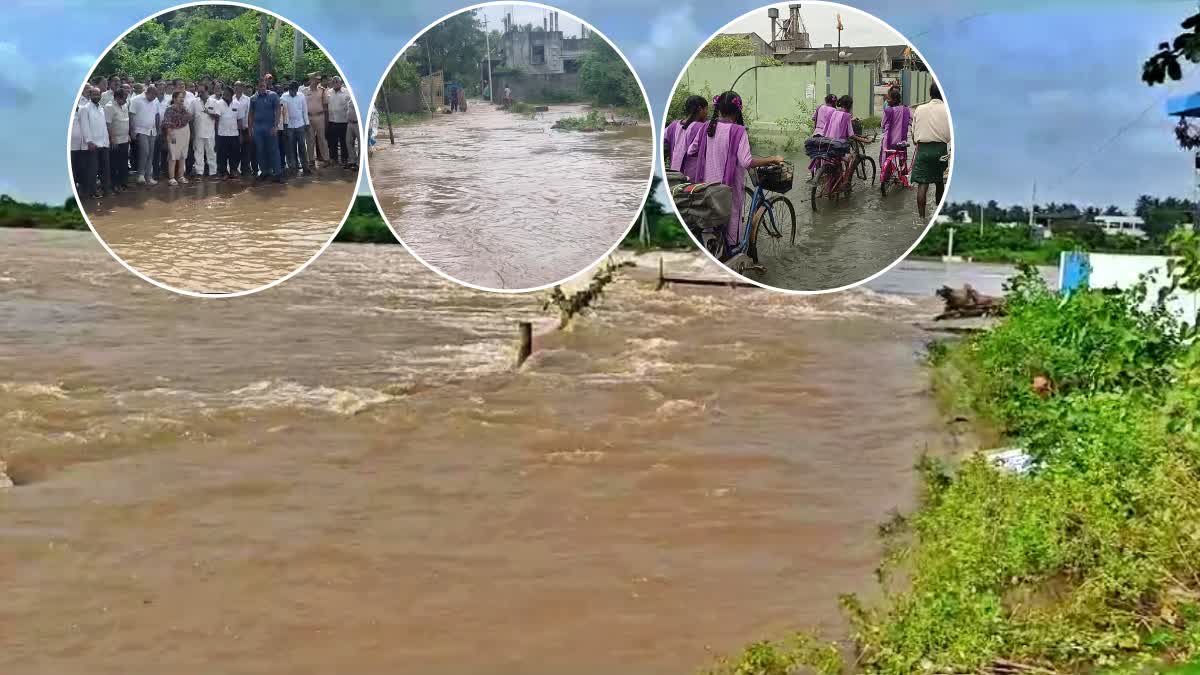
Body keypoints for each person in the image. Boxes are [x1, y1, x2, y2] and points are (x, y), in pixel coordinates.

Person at [684, 91, 783, 251]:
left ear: (719, 109)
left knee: (710, 219)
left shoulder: (706, 127)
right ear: (738, 110)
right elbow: (746, 161)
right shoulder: (738, 131)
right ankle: (734, 249)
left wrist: (710, 152)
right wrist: (772, 159)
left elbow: (691, 151)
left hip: (706, 186)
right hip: (727, 187)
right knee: (733, 215)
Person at [910, 82, 951, 219]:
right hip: (941, 150)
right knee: (939, 181)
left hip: (923, 150)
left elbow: (913, 134)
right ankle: (939, 215)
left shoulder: (920, 109)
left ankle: (922, 219)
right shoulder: (948, 109)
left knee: (923, 184)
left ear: (930, 94)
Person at [75, 85, 112, 198]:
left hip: (103, 143)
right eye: (94, 94)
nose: (96, 96)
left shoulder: (101, 108)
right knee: (92, 170)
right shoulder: (85, 108)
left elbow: (103, 126)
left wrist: (107, 140)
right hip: (93, 145)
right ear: (90, 95)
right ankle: (92, 192)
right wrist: (89, 141)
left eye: (98, 94)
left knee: (105, 168)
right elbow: (85, 126)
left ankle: (106, 190)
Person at [247, 78, 283, 183]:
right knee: (260, 150)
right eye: (259, 86)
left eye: (263, 86)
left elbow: (278, 110)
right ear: (257, 87)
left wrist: (276, 126)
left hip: (270, 127)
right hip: (257, 128)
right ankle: (264, 172)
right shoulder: (253, 98)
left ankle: (277, 173)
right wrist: (250, 129)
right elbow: (251, 114)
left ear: (266, 86)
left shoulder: (273, 95)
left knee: (273, 150)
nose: (262, 88)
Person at [129, 84, 160, 185]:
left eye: (156, 96)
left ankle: (148, 176)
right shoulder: (136, 100)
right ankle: (140, 175)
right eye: (153, 96)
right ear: (147, 92)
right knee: (145, 152)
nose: (154, 98)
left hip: (152, 130)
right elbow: (131, 116)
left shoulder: (155, 100)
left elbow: (156, 115)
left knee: (151, 153)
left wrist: (157, 128)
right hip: (140, 130)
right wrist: (132, 131)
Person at [663, 95, 707, 166]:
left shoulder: (673, 125)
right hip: (692, 173)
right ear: (700, 109)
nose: (706, 112)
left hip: (674, 170)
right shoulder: (701, 127)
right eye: (706, 109)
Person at [162, 90, 192, 186]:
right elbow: (167, 123)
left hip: (185, 133)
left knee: (183, 155)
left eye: (183, 97)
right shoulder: (169, 109)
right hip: (173, 133)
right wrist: (171, 134)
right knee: (173, 156)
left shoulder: (185, 109)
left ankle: (181, 176)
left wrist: (184, 109)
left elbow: (189, 118)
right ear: (174, 99)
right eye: (180, 97)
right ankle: (171, 178)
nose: (182, 99)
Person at [211, 85, 241, 180]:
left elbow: (239, 120)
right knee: (222, 155)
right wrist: (216, 135)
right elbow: (216, 120)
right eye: (224, 94)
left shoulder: (237, 103)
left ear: (232, 95)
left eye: (227, 94)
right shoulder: (219, 103)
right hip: (222, 134)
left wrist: (240, 134)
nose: (225, 95)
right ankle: (223, 172)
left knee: (234, 154)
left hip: (234, 134)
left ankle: (233, 170)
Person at [280, 80, 309, 176]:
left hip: (300, 124)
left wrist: (307, 123)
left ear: (297, 90)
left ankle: (305, 167)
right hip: (289, 126)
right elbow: (283, 113)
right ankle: (293, 166)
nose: (293, 93)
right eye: (292, 91)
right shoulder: (284, 97)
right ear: (289, 90)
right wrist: (284, 127)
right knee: (290, 147)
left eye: (295, 91)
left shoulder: (301, 96)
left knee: (302, 146)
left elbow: (304, 110)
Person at [189, 84, 217, 178]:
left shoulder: (214, 102)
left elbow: (217, 117)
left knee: (211, 152)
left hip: (210, 132)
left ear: (207, 91)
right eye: (199, 92)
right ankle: (199, 172)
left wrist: (209, 113)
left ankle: (213, 172)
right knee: (198, 152)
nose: (200, 93)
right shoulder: (194, 102)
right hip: (198, 132)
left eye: (202, 92)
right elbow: (190, 117)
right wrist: (192, 132)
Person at [878, 88, 911, 169]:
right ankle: (902, 175)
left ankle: (886, 175)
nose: (887, 100)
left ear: (893, 100)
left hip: (889, 141)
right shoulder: (906, 109)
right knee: (901, 159)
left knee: (885, 158)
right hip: (901, 141)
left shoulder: (888, 111)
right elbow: (911, 121)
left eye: (889, 98)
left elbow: (882, 125)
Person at [105, 88, 131, 192]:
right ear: (117, 97)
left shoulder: (124, 105)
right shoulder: (109, 107)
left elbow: (126, 120)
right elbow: (108, 124)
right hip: (115, 139)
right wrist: (112, 138)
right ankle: (114, 184)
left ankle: (123, 183)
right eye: (124, 98)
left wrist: (128, 134)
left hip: (125, 138)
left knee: (123, 162)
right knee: (114, 163)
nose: (125, 101)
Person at [301, 72, 327, 169]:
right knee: (309, 139)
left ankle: (326, 159)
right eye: (316, 79)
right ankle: (311, 160)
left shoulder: (322, 90)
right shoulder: (304, 91)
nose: (318, 81)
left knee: (322, 138)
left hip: (320, 116)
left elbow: (325, 105)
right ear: (311, 80)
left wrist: (326, 119)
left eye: (318, 79)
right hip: (308, 117)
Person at [325, 76, 351, 166]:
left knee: (344, 141)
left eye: (337, 82)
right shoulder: (328, 92)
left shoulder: (347, 92)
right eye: (334, 82)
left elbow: (350, 107)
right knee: (332, 141)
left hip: (343, 121)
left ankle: (344, 158)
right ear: (332, 83)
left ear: (341, 82)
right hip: (332, 121)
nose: (335, 83)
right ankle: (334, 158)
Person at [233, 82, 255, 177]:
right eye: (235, 86)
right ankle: (234, 170)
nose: (237, 88)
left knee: (246, 150)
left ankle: (245, 169)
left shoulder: (248, 99)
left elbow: (250, 115)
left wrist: (250, 129)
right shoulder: (230, 99)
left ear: (243, 88)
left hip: (246, 128)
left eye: (239, 86)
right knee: (235, 150)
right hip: (233, 130)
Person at [345, 101, 360, 170]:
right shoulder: (350, 99)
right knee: (348, 142)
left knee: (361, 144)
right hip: (350, 123)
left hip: (358, 124)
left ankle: (359, 163)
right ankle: (352, 161)